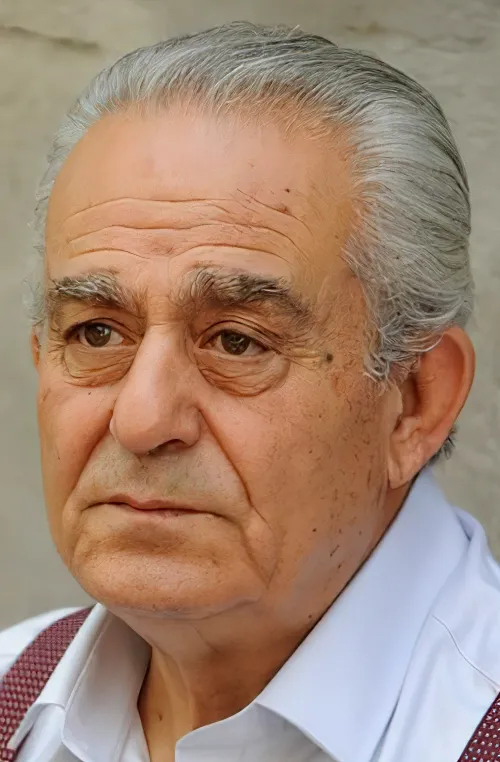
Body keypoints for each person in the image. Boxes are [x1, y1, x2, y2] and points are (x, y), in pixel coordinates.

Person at [0, 21, 496, 762]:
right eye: (97, 333)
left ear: (415, 401)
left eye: (237, 341)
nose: (141, 419)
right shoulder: (13, 690)